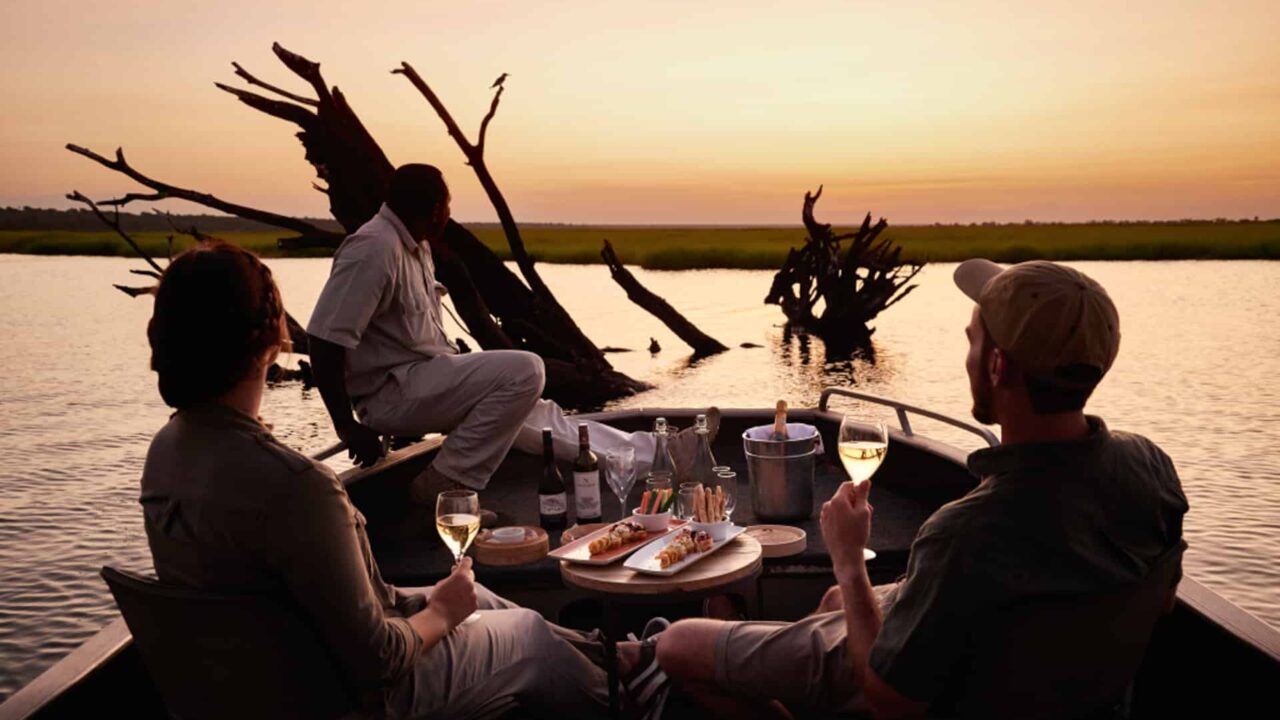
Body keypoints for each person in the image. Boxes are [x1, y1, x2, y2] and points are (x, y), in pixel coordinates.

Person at [139, 242, 668, 719]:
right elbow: (380, 660)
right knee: (524, 635)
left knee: (477, 595)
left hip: (270, 682)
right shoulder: (298, 486)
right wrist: (440, 611)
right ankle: (629, 701)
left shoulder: (168, 452)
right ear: (272, 339)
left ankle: (612, 656)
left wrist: (437, 603)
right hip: (354, 697)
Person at [653, 259, 1189, 718]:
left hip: (919, 690)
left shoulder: (967, 530)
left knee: (677, 645)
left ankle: (660, 659)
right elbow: (1161, 602)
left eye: (973, 340)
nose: (969, 355)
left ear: (997, 366)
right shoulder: (1151, 469)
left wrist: (846, 554)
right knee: (839, 600)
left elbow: (892, 702)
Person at [306, 163, 715, 512]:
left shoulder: (414, 246)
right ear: (434, 210)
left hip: (425, 379)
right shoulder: (373, 249)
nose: (449, 215)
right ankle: (449, 486)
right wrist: (346, 427)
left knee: (538, 415)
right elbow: (324, 340)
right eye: (448, 206)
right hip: (391, 395)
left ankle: (659, 453)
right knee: (525, 369)